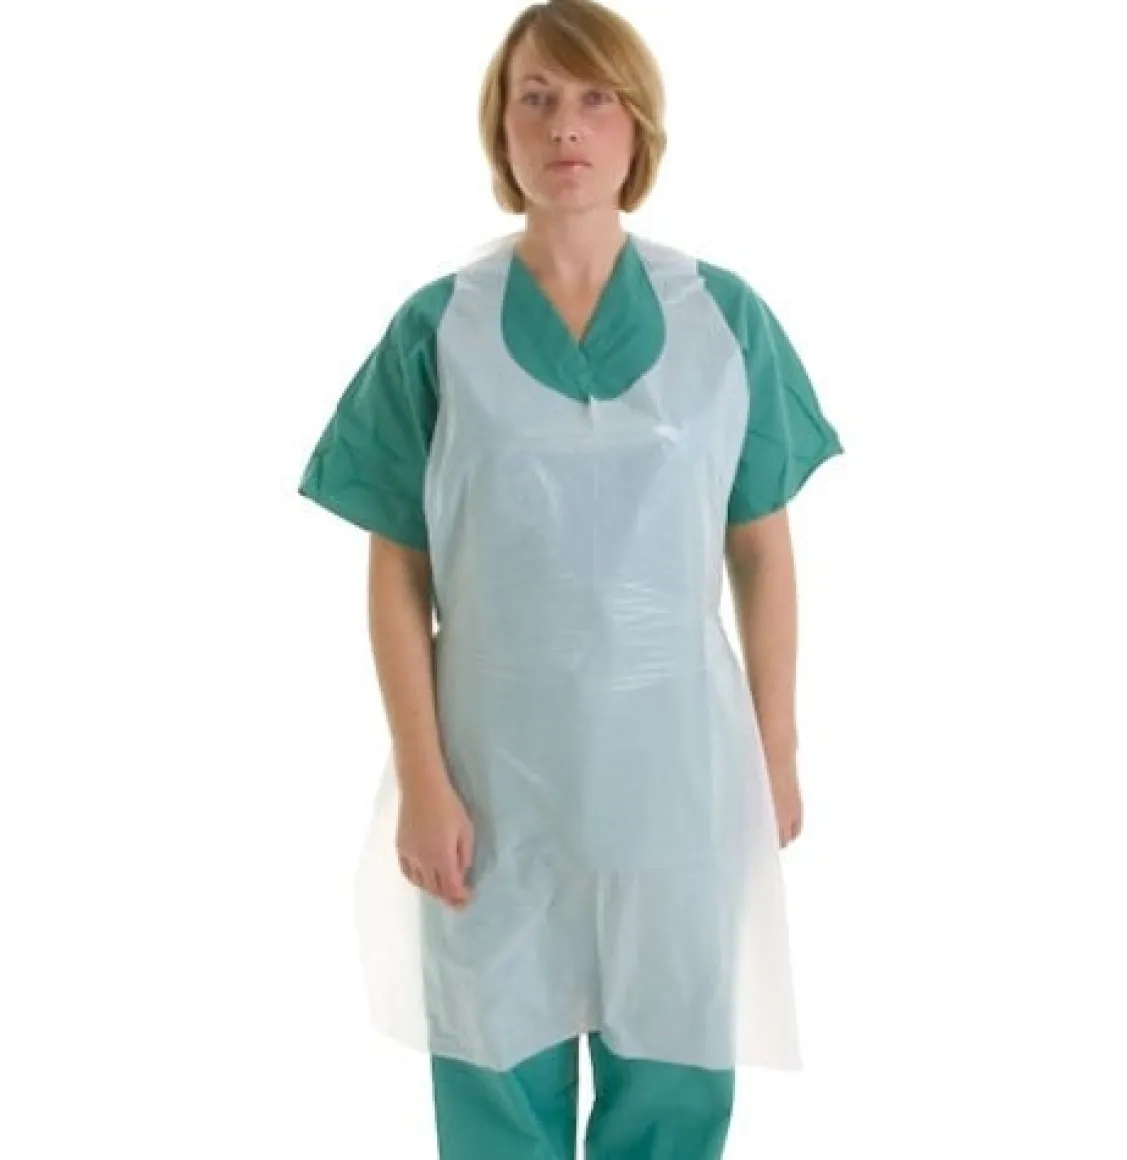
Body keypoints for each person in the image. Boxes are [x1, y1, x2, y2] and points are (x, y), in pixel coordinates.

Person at [297, 1, 844, 1156]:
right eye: (534, 98)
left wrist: (775, 747)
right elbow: (397, 566)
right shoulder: (439, 329)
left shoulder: (722, 320)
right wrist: (422, 779)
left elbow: (759, 545)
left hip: (675, 767)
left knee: (672, 1074)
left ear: (638, 128)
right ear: (498, 128)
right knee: (496, 1078)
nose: (564, 127)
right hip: (494, 775)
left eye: (595, 99)